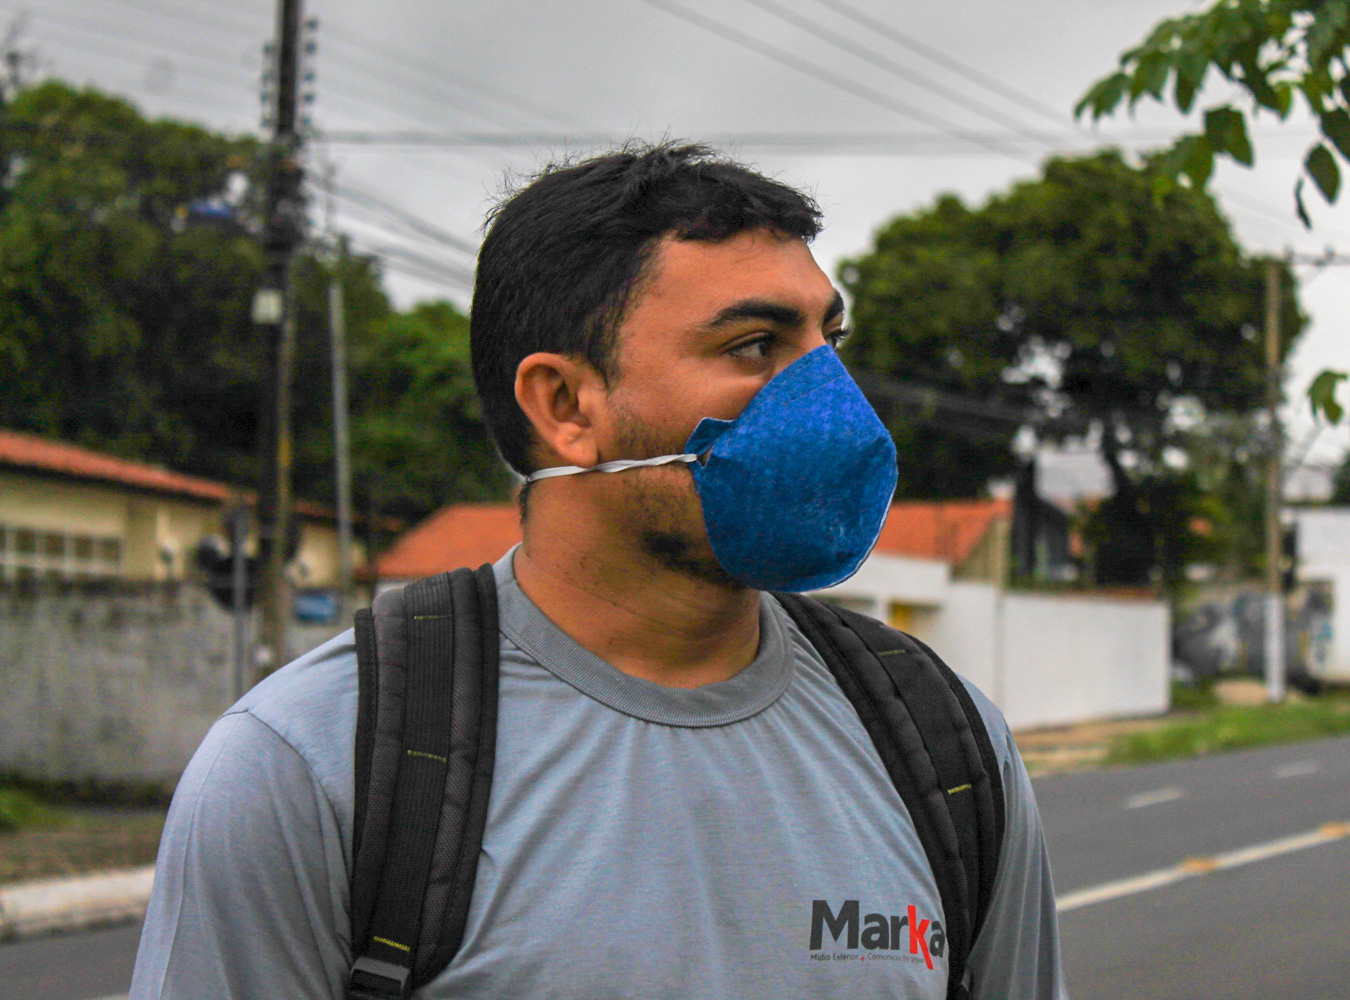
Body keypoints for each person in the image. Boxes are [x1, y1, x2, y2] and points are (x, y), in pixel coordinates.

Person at [130, 142, 1067, 999]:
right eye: (754, 347)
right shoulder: (310, 767)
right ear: (565, 405)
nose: (830, 396)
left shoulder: (944, 745)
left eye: (830, 341)